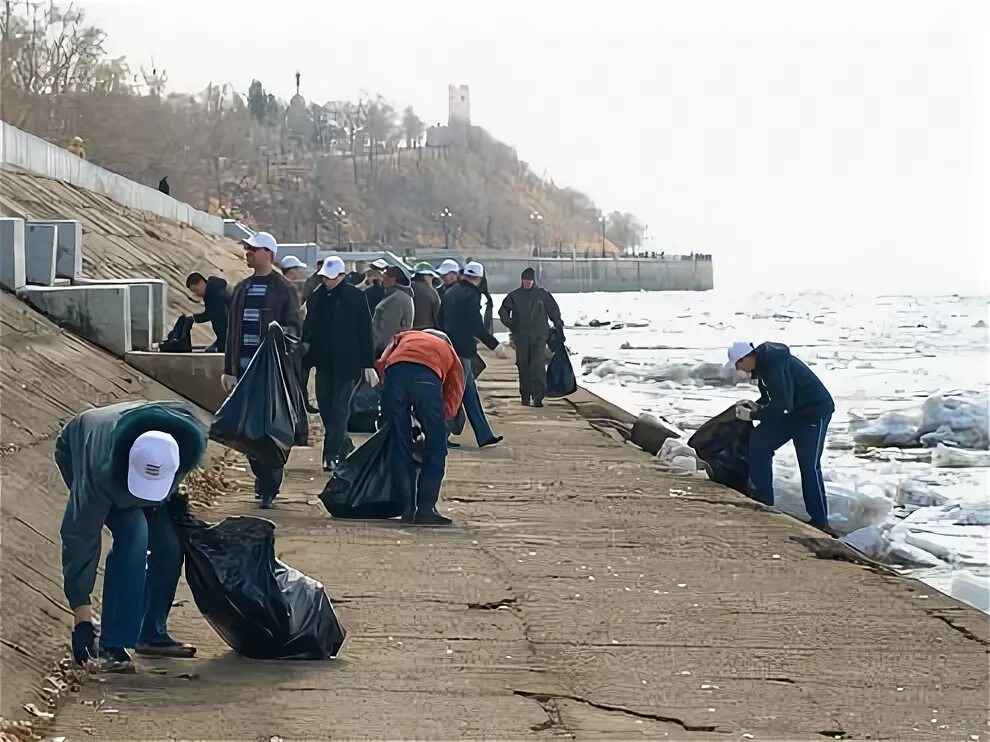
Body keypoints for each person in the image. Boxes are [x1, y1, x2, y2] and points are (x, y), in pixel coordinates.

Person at [57, 401, 206, 673]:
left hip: (141, 459)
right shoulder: (98, 473)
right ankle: (112, 644)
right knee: (135, 536)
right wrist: (82, 617)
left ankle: (150, 631)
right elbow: (80, 536)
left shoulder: (185, 445)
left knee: (169, 547)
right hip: (81, 448)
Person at [221, 231, 301, 508]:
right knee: (246, 430)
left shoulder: (284, 289)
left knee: (268, 429)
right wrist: (228, 368)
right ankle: (261, 474)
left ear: (268, 253)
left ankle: (269, 483)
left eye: (253, 249)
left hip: (270, 374)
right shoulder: (241, 288)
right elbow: (232, 333)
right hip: (243, 372)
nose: (248, 253)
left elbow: (295, 332)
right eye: (248, 249)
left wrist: (278, 337)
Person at [724, 341, 836, 535]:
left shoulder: (775, 365)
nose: (738, 369)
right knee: (759, 441)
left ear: (748, 358)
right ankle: (764, 501)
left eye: (738, 364)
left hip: (813, 414)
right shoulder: (761, 369)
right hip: (792, 413)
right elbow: (773, 400)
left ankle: (820, 522)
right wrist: (755, 405)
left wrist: (754, 415)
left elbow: (783, 404)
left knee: (809, 466)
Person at [377, 329, 465, 526]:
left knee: (400, 445)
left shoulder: (404, 336)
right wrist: (438, 423)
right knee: (436, 446)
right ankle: (426, 509)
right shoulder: (450, 353)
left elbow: (382, 363)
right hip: (427, 378)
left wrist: (390, 390)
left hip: (395, 373)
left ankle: (406, 509)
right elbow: (454, 396)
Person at [303, 256, 378, 471]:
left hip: (348, 363)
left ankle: (331, 454)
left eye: (331, 278)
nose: (327, 281)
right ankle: (343, 443)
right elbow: (309, 328)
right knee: (326, 408)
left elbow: (365, 331)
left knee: (340, 409)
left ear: (343, 276)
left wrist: (368, 363)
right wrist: (305, 358)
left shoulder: (355, 297)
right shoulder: (316, 297)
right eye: (325, 278)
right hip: (323, 362)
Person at [437, 261, 505, 449]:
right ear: (480, 278)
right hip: (463, 351)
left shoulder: (450, 291)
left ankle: (484, 435)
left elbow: (439, 318)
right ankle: (441, 433)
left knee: (467, 393)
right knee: (457, 393)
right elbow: (476, 325)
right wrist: (494, 345)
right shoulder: (472, 295)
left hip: (448, 347)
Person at [498, 267, 563, 407]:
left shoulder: (542, 295)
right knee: (523, 366)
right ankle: (525, 396)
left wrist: (557, 322)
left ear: (534, 281)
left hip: (539, 336)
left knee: (537, 366)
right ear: (521, 281)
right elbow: (503, 311)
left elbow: (553, 309)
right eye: (525, 281)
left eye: (530, 281)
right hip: (520, 337)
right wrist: (510, 324)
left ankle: (538, 397)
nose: (527, 283)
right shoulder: (514, 296)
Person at [372, 266, 415, 355]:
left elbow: (389, 328)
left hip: (387, 350)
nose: (382, 280)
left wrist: (377, 349)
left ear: (393, 279)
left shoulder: (397, 299)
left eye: (385, 277)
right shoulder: (395, 296)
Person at [185, 272, 230, 352]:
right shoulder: (215, 290)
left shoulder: (213, 294)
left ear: (201, 283)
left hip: (227, 336)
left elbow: (213, 314)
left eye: (196, 290)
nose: (196, 294)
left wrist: (194, 318)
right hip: (224, 335)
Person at [411, 262, 441, 330]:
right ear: (427, 276)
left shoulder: (409, 288)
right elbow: (437, 315)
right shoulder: (430, 292)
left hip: (410, 330)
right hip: (428, 329)